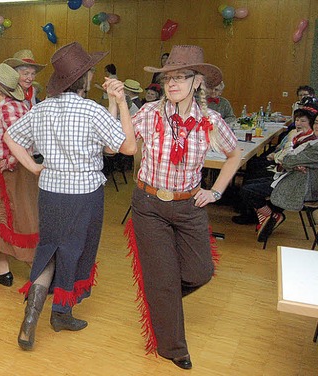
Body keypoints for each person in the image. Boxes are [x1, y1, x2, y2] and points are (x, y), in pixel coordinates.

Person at [5, 42, 137, 351]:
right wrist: (122, 102)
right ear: (86, 77)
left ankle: (30, 318)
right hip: (84, 195)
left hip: (50, 191)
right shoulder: (90, 110)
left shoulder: (43, 107)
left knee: (50, 249)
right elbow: (126, 147)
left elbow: (10, 136)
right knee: (75, 251)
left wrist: (34, 167)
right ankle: (62, 312)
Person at [124, 45, 241, 370]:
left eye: (181, 77)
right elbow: (122, 143)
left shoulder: (210, 120)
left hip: (189, 205)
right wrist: (117, 103)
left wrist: (215, 191)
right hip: (149, 205)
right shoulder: (149, 113)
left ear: (197, 82)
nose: (172, 83)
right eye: (168, 77)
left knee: (200, 272)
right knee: (162, 279)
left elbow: (234, 156)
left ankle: (163, 302)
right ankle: (173, 347)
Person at [0, 63, 37, 287]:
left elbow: (23, 140)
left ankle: (40, 273)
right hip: (11, 169)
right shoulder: (13, 105)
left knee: (18, 217)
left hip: (14, 170)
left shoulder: (6, 108)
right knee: (3, 216)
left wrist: (10, 160)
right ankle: (2, 270)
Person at [237, 103, 318, 242]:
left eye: (303, 121)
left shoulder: (314, 145)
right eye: (317, 122)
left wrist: (290, 161)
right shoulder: (308, 141)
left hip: (300, 187)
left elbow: (287, 160)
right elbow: (288, 160)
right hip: (290, 177)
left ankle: (272, 216)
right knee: (250, 182)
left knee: (247, 190)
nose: (317, 126)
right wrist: (292, 162)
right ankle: (268, 217)